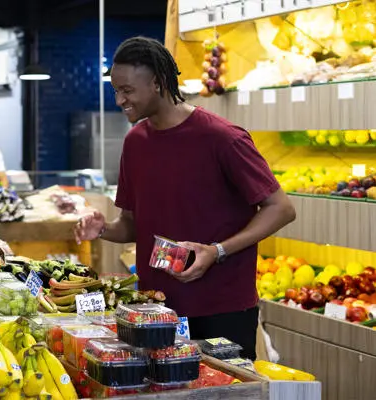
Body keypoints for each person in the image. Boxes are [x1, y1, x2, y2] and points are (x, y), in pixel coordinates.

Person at [74, 37, 296, 360]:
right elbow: (132, 225)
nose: (120, 100)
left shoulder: (223, 138)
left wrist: (217, 251)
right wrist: (104, 228)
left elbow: (281, 209)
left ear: (159, 83)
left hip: (222, 312)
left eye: (128, 90)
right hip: (156, 312)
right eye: (116, 91)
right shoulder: (135, 143)